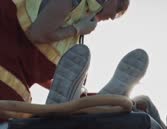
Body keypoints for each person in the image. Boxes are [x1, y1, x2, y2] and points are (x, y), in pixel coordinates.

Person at [0, 0, 130, 104]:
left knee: (17, 117)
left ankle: (90, 100)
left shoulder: (76, 18)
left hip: (12, 75)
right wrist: (76, 29)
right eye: (118, 9)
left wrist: (62, 87)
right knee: (16, 117)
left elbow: (30, 60)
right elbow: (36, 35)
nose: (113, 17)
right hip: (5, 75)